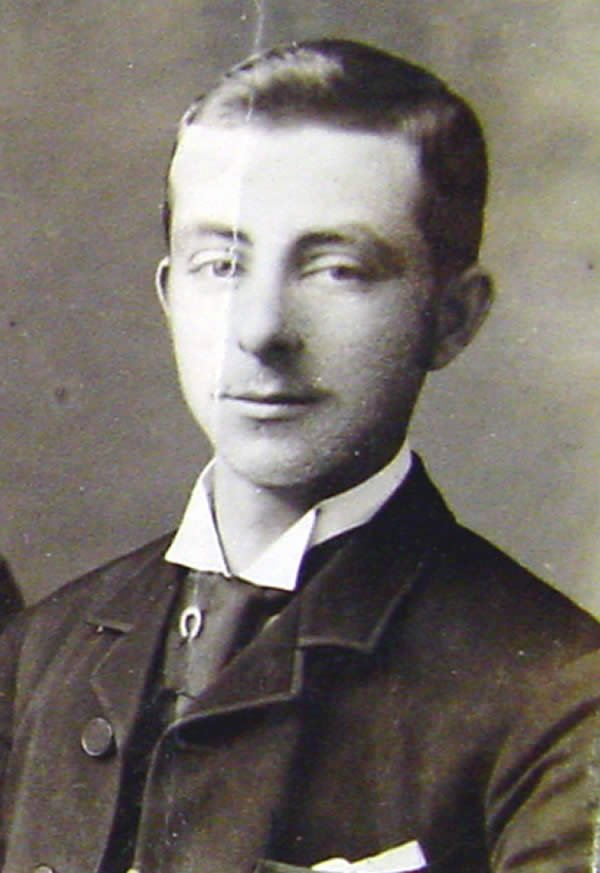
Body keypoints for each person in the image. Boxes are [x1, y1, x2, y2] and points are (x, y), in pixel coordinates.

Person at [0, 39, 598, 873]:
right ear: (171, 297)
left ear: (452, 317)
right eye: (222, 264)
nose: (261, 330)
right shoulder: (40, 650)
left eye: (337, 269)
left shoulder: (560, 694)